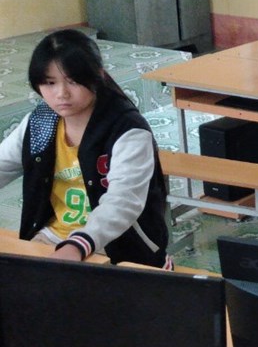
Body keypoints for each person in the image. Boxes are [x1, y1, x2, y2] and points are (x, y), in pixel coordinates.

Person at [0, 29, 169, 266]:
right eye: (50, 83)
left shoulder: (126, 129)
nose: (61, 93)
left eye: (73, 81)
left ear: (97, 75)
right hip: (53, 238)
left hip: (120, 247)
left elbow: (123, 202)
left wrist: (78, 244)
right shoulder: (40, 124)